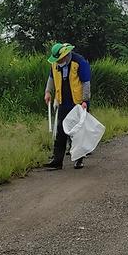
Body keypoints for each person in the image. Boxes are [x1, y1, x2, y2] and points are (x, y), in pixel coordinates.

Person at [43, 42, 91, 170]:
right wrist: (48, 92)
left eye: (59, 59)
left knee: (78, 132)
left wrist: (85, 101)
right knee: (60, 131)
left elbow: (86, 83)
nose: (58, 62)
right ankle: (57, 161)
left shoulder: (79, 62)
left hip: (78, 103)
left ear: (65, 55)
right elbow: (51, 78)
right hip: (62, 101)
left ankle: (78, 160)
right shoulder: (55, 64)